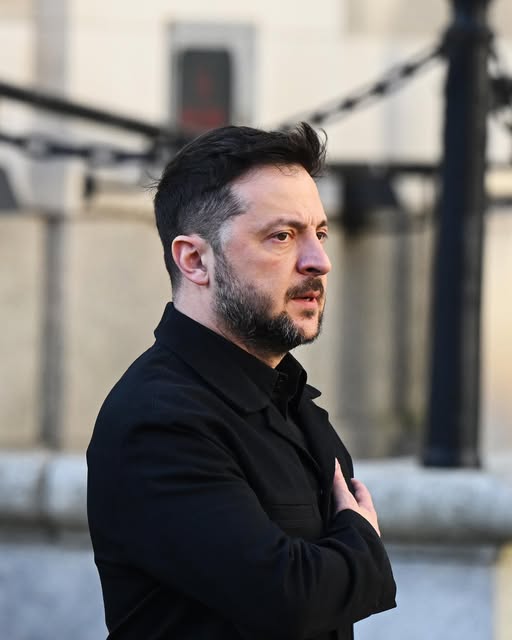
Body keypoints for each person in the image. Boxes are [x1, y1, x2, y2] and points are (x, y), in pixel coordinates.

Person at [87, 122, 396, 640]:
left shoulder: (290, 399)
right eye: (282, 236)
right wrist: (362, 543)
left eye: (320, 234)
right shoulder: (158, 421)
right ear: (195, 260)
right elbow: (288, 601)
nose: (319, 262)